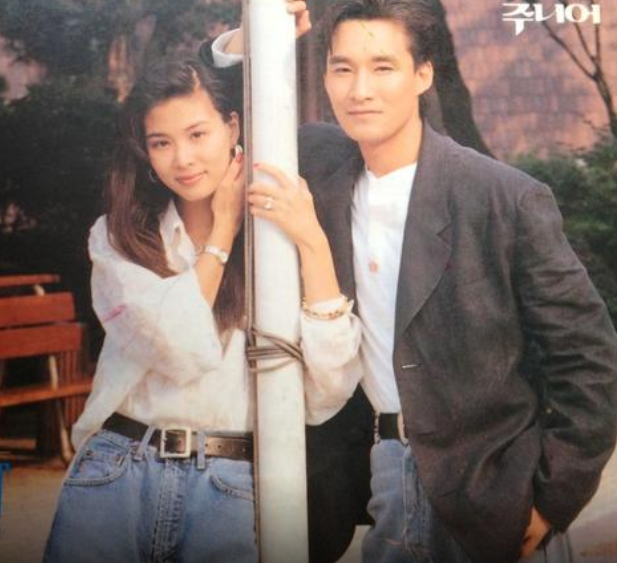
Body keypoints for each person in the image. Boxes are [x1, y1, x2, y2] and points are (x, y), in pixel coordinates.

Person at [206, 1, 617, 562]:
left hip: (493, 488)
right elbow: (211, 118)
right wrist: (251, 37)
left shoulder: (502, 196)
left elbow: (590, 358)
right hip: (384, 479)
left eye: (383, 67)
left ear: (423, 74)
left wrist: (552, 497)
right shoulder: (317, 163)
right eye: (343, 68)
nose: (360, 90)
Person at [42, 54, 362, 563]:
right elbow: (177, 346)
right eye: (161, 143)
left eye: (197, 134)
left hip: (227, 482)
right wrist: (221, 234)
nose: (183, 159)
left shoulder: (274, 247)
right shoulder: (119, 238)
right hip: (119, 470)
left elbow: (328, 389)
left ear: (232, 127)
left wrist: (311, 242)